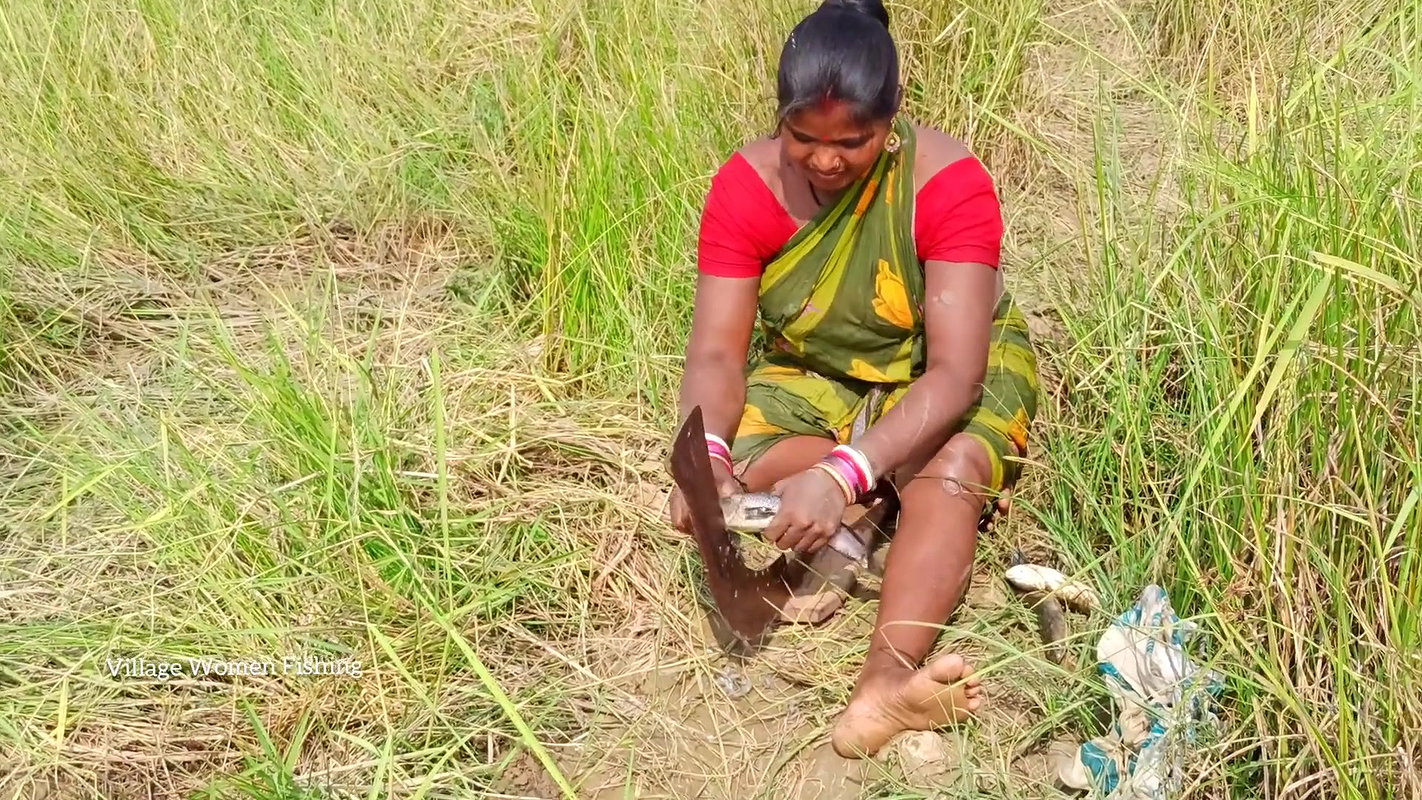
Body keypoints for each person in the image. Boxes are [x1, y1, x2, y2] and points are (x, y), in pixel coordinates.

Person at [668, 0, 1040, 759]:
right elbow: (716, 355)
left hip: (942, 363)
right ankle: (862, 520)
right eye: (802, 139)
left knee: (950, 463)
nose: (827, 161)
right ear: (778, 120)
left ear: (894, 120)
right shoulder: (745, 188)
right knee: (743, 468)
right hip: (819, 366)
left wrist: (841, 475)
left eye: (854, 141)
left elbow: (956, 376)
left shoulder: (948, 182)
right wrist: (703, 456)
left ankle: (887, 684)